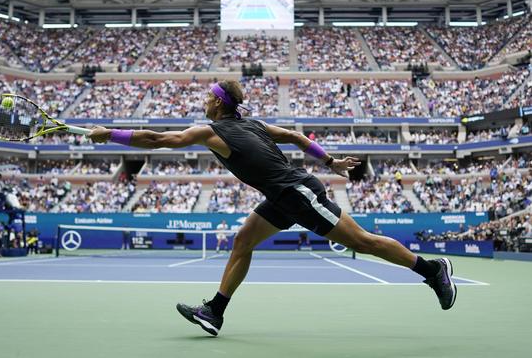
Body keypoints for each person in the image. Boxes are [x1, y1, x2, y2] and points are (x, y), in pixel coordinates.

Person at [88, 80, 456, 337]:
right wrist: (328, 161)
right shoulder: (253, 123)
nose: (204, 101)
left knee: (363, 242)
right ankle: (215, 311)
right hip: (281, 196)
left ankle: (431, 270)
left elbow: (158, 140)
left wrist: (111, 135)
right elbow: (296, 136)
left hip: (296, 192)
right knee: (243, 240)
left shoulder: (209, 130)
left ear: (218, 103)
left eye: (208, 97)